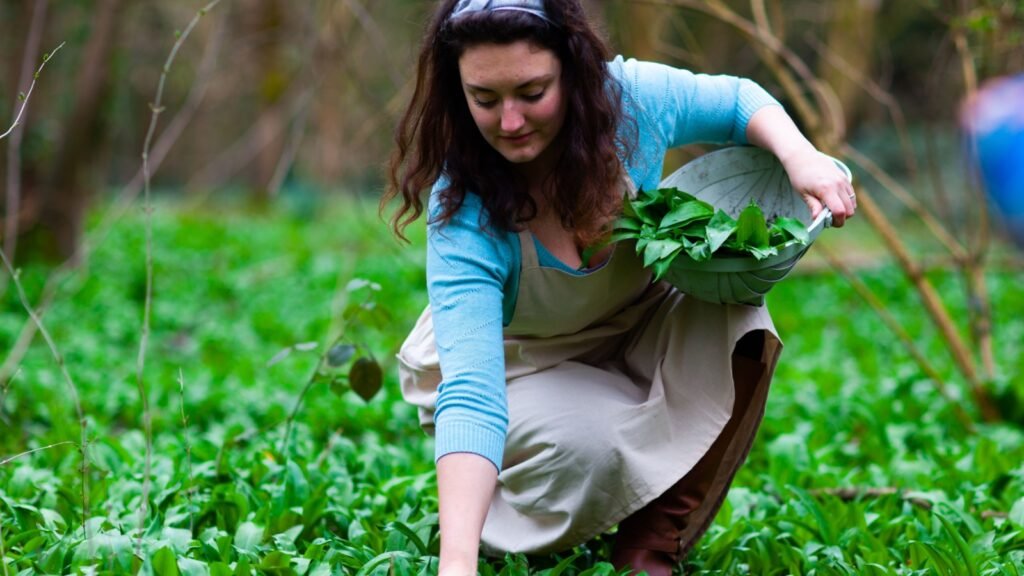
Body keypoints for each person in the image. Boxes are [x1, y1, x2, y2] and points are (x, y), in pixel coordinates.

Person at [382, 1, 856, 574]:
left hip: (633, 323)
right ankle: (494, 521)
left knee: (741, 323)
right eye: (485, 99)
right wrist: (455, 566)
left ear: (575, 70)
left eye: (533, 93)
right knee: (590, 447)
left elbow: (736, 100)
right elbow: (474, 395)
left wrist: (800, 156)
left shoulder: (632, 104)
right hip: (521, 366)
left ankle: (651, 544)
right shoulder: (464, 211)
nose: (510, 121)